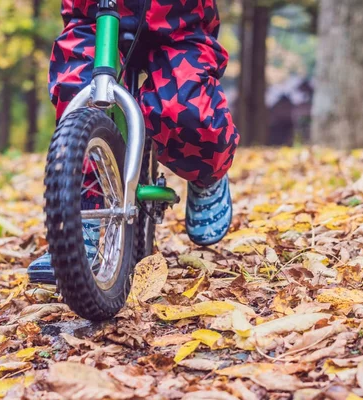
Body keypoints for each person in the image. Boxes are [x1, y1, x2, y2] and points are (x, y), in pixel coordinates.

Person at [28, 0, 240, 284]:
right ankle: (81, 212)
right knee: (77, 90)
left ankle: (206, 172)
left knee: (185, 108)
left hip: (179, 19)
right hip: (95, 15)